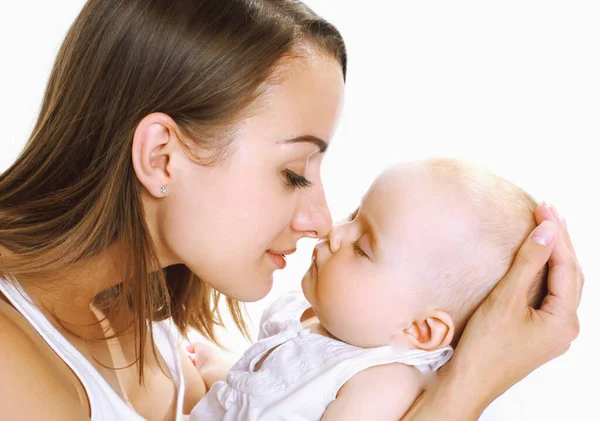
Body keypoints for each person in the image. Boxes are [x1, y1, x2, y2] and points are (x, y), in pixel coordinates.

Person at [0, 1, 582, 420]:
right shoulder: (14, 369)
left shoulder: (135, 310)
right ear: (161, 156)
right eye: (293, 173)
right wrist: (467, 387)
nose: (322, 221)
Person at [188, 159, 550, 420]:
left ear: (419, 330)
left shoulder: (381, 384)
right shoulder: (309, 317)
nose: (335, 233)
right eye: (352, 215)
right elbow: (261, 400)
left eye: (363, 247)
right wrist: (219, 372)